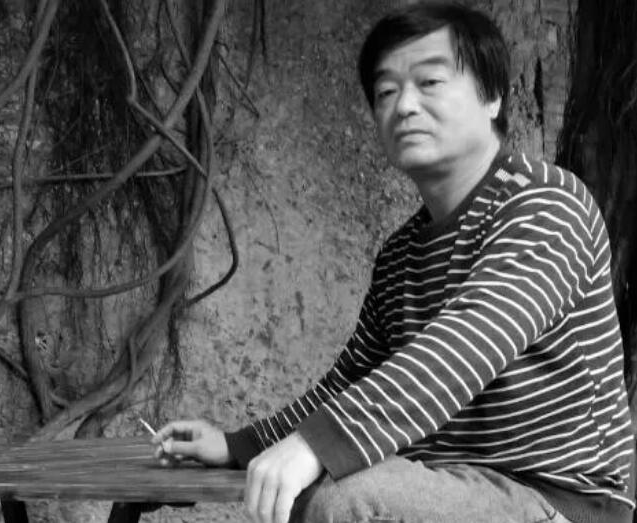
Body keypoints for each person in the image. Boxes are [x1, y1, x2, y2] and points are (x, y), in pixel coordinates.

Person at [152, 2, 636, 522]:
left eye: (430, 82)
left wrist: (315, 447)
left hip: (559, 501)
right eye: (386, 92)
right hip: (452, 486)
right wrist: (240, 445)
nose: (404, 105)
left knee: (344, 499)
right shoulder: (402, 253)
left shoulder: (546, 205)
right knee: (326, 484)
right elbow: (350, 380)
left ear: (492, 96)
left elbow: (467, 343)